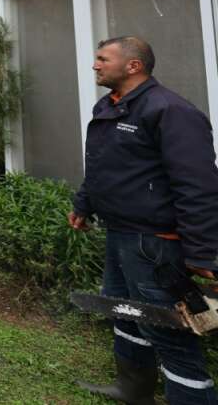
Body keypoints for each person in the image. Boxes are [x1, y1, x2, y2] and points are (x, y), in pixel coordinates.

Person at [70, 36, 218, 404]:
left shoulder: (171, 111)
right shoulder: (110, 106)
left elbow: (197, 186)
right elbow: (104, 165)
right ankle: (133, 388)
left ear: (133, 66)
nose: (95, 65)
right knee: (124, 311)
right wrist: (84, 203)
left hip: (156, 243)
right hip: (120, 233)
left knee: (170, 330)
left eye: (103, 59)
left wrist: (201, 254)